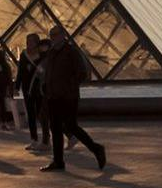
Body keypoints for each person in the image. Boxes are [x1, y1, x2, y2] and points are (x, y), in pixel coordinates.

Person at [39, 24, 106, 172]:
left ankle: (97, 149)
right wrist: (46, 85)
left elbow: (82, 73)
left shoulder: (72, 52)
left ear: (63, 35)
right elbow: (48, 71)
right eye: (51, 35)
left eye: (55, 34)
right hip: (53, 96)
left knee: (71, 126)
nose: (53, 38)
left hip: (68, 96)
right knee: (55, 128)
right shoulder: (51, 53)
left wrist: (68, 87)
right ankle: (58, 161)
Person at [17, 35, 46, 152]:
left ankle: (45, 139)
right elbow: (20, 72)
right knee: (31, 114)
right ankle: (34, 139)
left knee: (41, 114)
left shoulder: (43, 55)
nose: (29, 43)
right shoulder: (24, 55)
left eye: (31, 41)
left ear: (37, 42)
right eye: (27, 41)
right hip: (27, 88)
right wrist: (16, 86)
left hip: (40, 88)